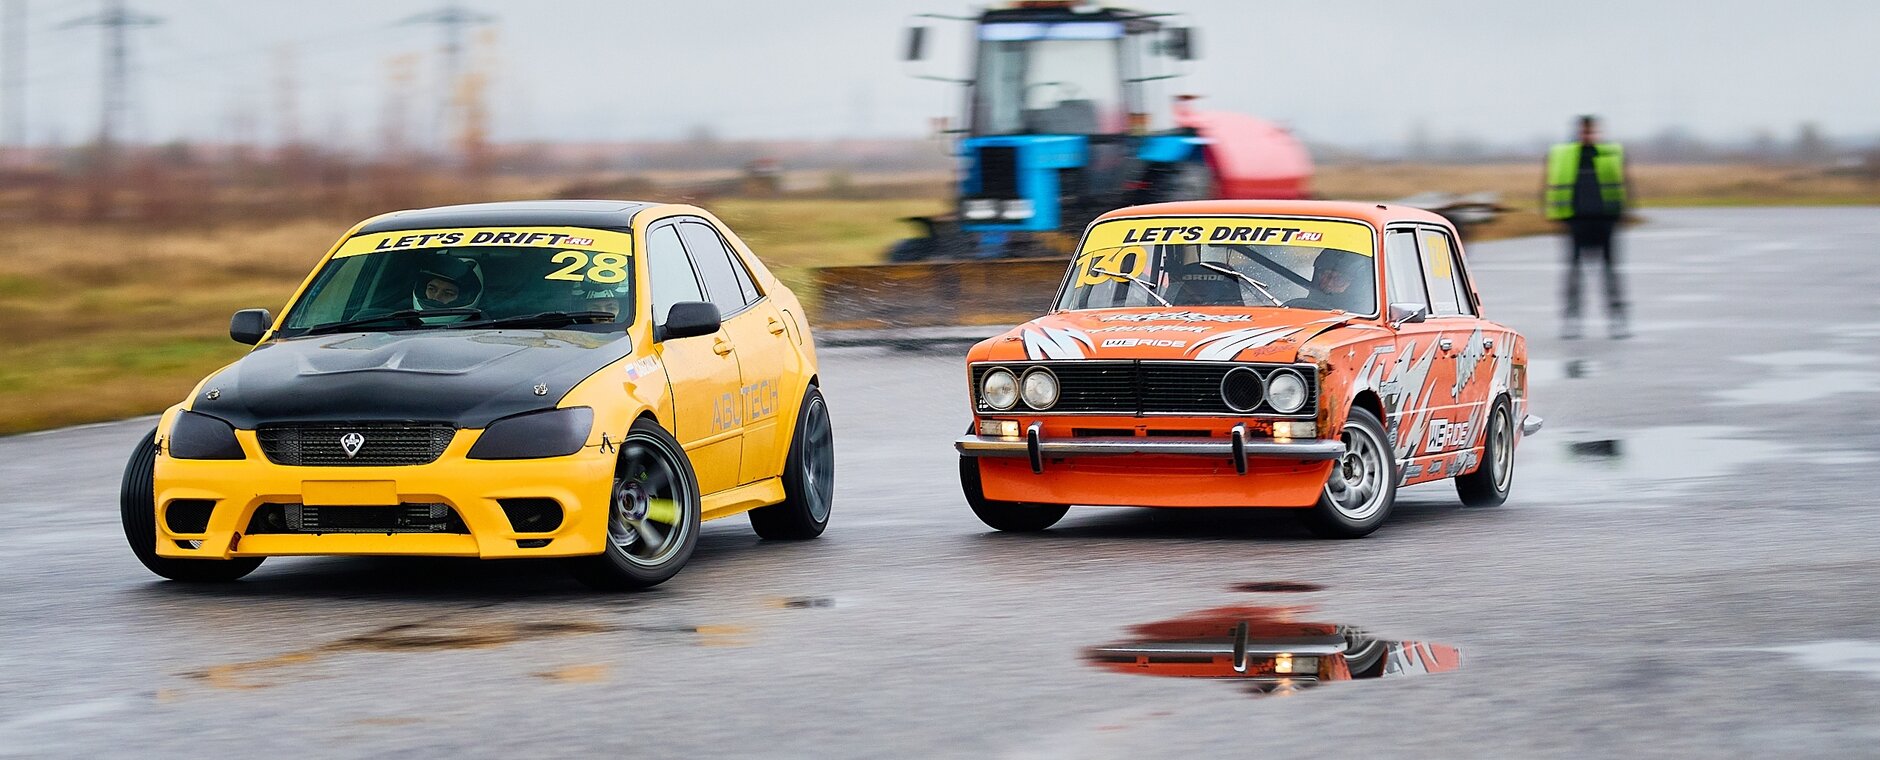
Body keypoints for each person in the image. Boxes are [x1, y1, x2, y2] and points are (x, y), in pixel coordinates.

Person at [1545, 115, 1630, 339]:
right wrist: (1555, 215)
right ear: (1578, 132)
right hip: (1577, 221)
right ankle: (1571, 320)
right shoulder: (1565, 155)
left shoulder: (1610, 154)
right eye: (1585, 132)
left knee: (1610, 272)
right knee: (1574, 274)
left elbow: (1623, 184)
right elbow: (1551, 185)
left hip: (1605, 221)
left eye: (1591, 132)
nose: (1588, 136)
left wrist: (1621, 213)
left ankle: (1617, 319)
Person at [1286, 249, 1373, 313]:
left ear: (1355, 285)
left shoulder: (1364, 317)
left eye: (1339, 280)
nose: (1329, 283)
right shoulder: (1297, 309)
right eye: (1326, 275)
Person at [411, 256, 483, 312]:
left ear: (463, 298)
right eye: (431, 289)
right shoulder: (405, 318)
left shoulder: (485, 324)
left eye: (448, 294)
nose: (436, 297)